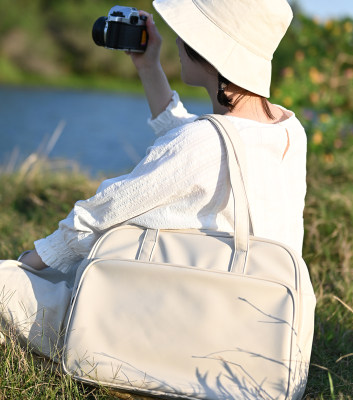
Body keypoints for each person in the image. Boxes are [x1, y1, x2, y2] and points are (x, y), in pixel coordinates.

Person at [16, 0, 307, 274]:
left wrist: (30, 262)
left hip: (191, 310)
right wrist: (149, 66)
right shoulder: (288, 129)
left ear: (205, 49)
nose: (178, 42)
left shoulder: (204, 143)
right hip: (264, 308)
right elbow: (202, 147)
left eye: (185, 33)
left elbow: (101, 214)